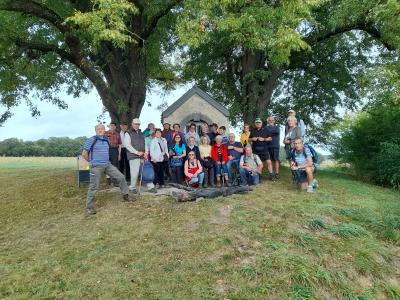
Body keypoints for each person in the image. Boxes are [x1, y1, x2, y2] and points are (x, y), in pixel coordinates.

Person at [82, 124, 132, 216]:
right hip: (96, 166)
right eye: (98, 129)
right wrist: (91, 161)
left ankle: (126, 196)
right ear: (95, 130)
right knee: (94, 186)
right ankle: (89, 208)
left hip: (107, 165)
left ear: (105, 130)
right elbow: (84, 153)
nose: (100, 130)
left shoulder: (106, 140)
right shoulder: (92, 140)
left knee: (121, 177)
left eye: (102, 128)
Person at [124, 118, 157, 194]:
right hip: (133, 156)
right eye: (135, 124)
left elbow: (145, 143)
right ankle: (132, 187)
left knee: (146, 170)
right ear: (132, 124)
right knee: (134, 172)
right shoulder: (128, 133)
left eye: (138, 124)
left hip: (143, 155)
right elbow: (127, 145)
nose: (137, 125)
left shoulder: (141, 133)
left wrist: (146, 152)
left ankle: (150, 186)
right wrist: (136, 152)